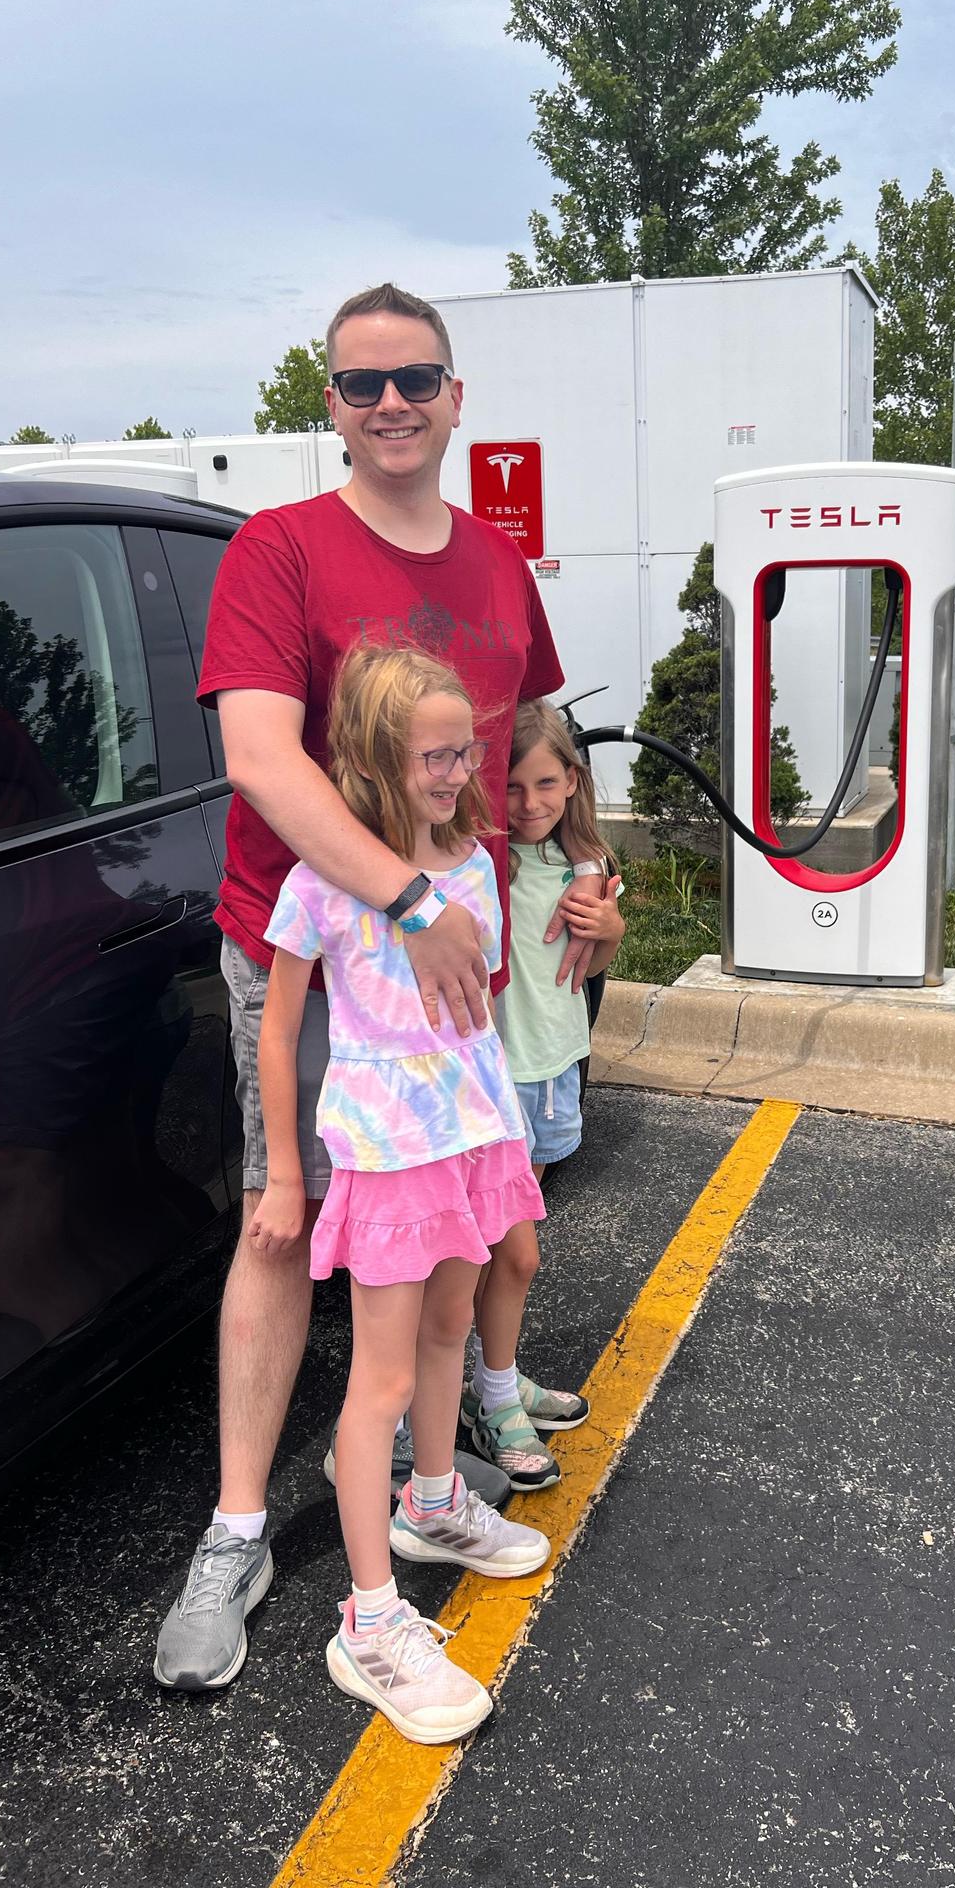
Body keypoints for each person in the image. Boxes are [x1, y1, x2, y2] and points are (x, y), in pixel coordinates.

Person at [155, 283, 597, 1693]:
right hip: (329, 962)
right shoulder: (279, 549)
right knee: (282, 1224)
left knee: (450, 1233)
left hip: (456, 975)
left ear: (458, 397)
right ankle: (237, 1531)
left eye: (415, 379)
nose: (391, 403)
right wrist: (406, 903)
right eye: (361, 384)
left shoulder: (500, 565)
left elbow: (522, 753)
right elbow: (261, 760)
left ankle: (428, 1488)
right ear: (333, 406)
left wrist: (578, 882)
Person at [253, 646, 548, 1741]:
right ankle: (370, 1623)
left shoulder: (472, 863)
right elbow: (279, 1033)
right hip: (387, 1156)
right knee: (375, 1380)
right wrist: (287, 1173)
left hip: (471, 1137)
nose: (460, 770)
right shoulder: (319, 882)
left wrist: (506, 1126)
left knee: (448, 1327)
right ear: (377, 758)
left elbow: (479, 1014)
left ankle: (433, 1502)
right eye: (437, 754)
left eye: (465, 749)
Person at [464, 700, 626, 1490]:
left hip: (551, 1072)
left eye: (546, 784)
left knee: (506, 1254)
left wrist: (611, 930)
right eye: (511, 785)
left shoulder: (581, 860)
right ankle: (487, 1398)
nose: (529, 804)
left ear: (573, 782)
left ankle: (494, 1378)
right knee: (508, 1253)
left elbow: (584, 968)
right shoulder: (488, 863)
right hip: (493, 1082)